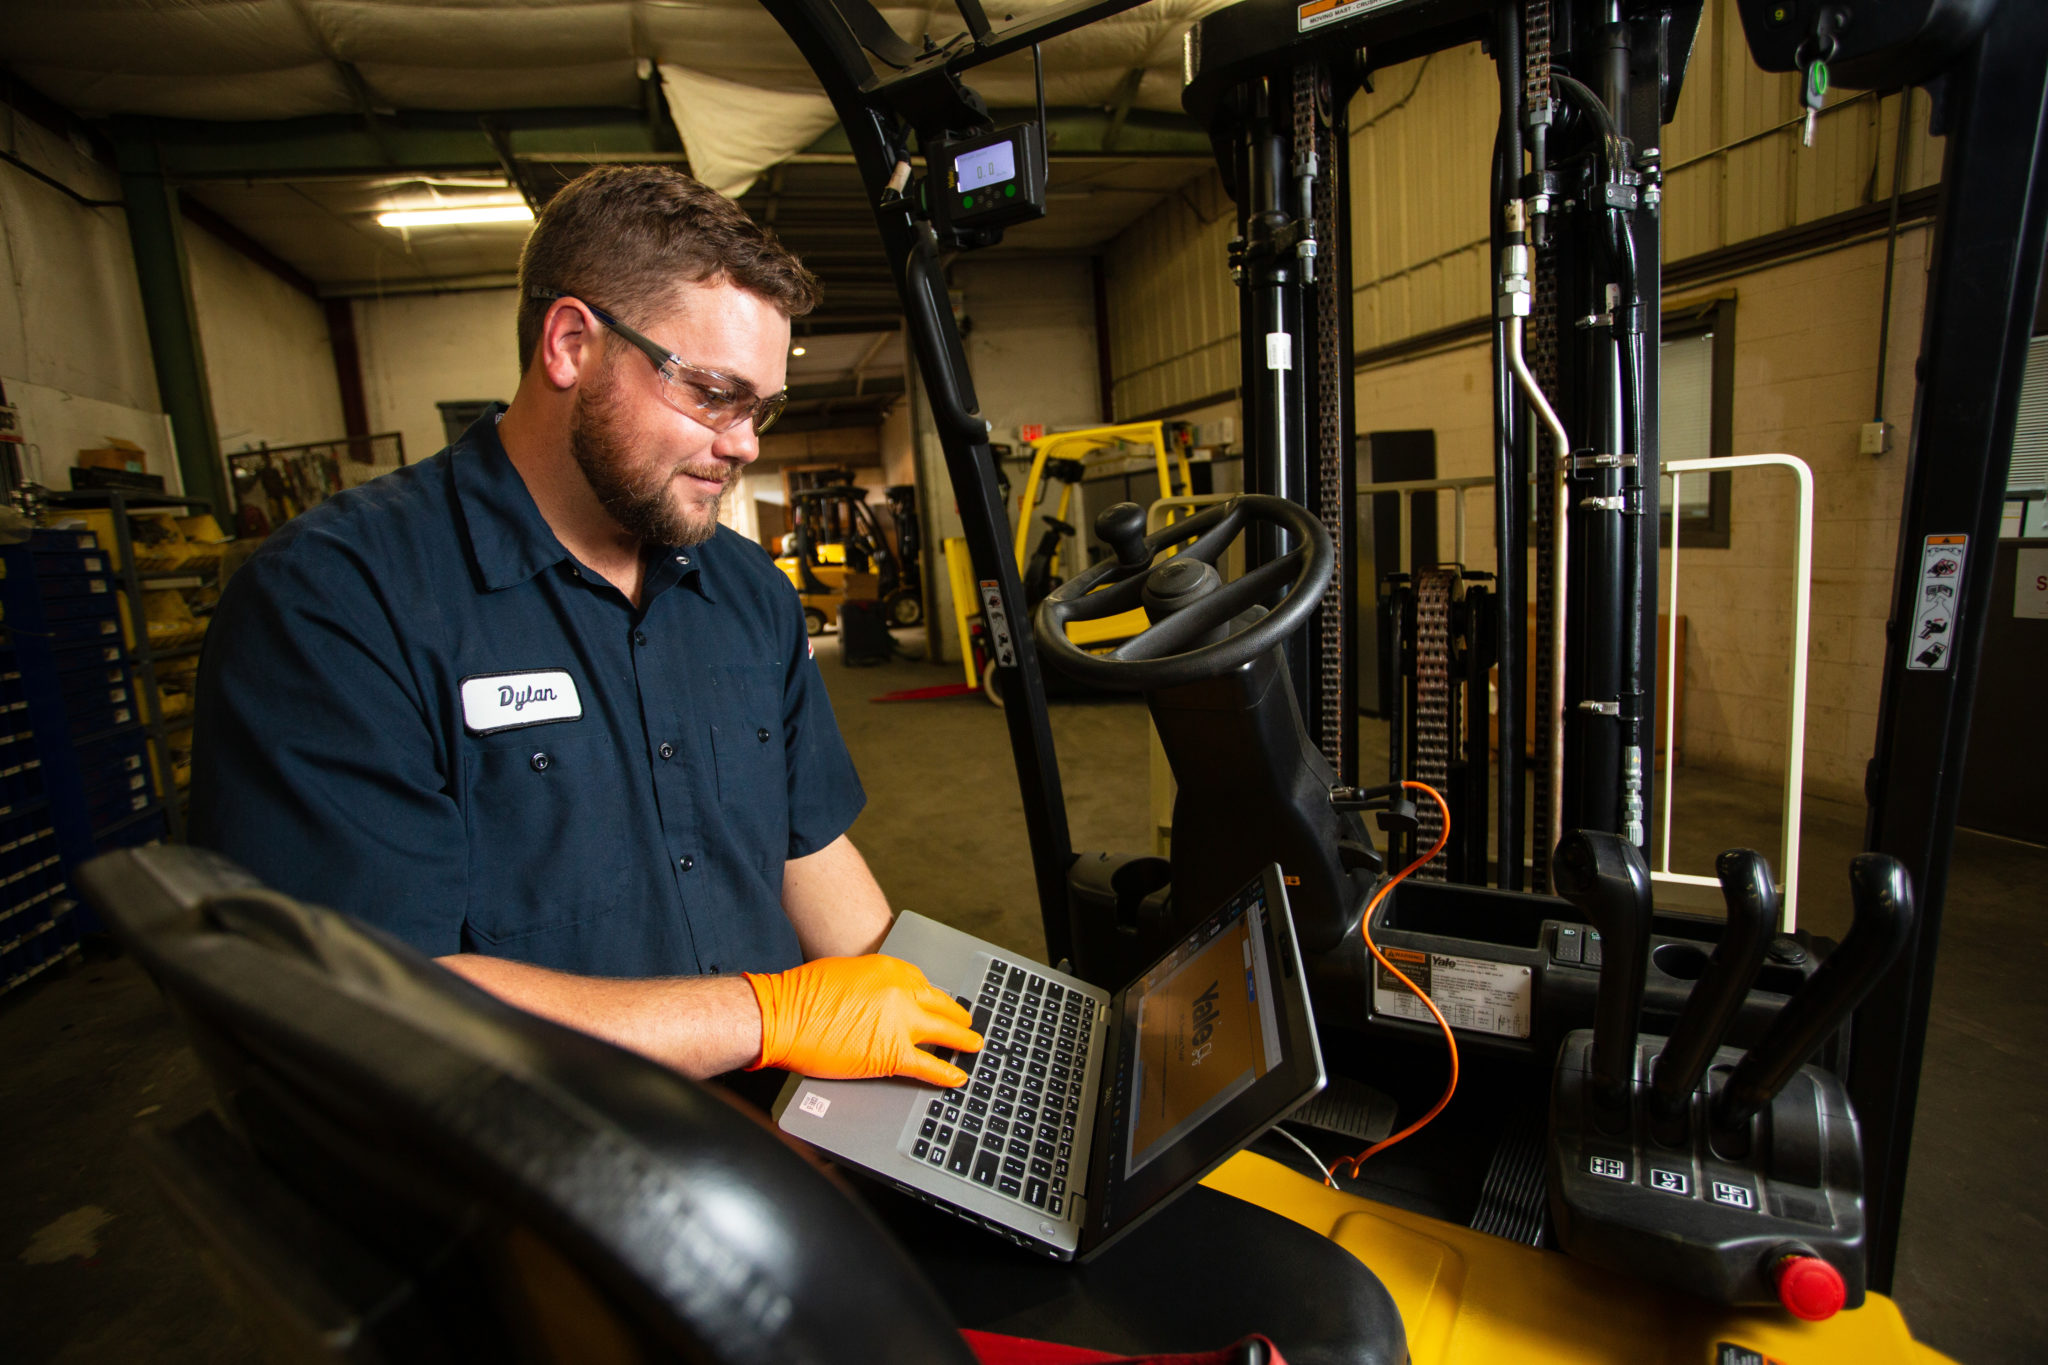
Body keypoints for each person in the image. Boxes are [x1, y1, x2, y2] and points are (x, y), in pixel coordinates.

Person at [189, 166, 976, 1091]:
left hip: (776, 1120)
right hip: (538, 1165)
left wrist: (939, 1026)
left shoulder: (748, 590)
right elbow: (363, 996)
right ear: (570, 344)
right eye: (715, 393)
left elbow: (806, 846)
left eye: (761, 407)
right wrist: (774, 1014)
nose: (747, 443)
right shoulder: (335, 604)